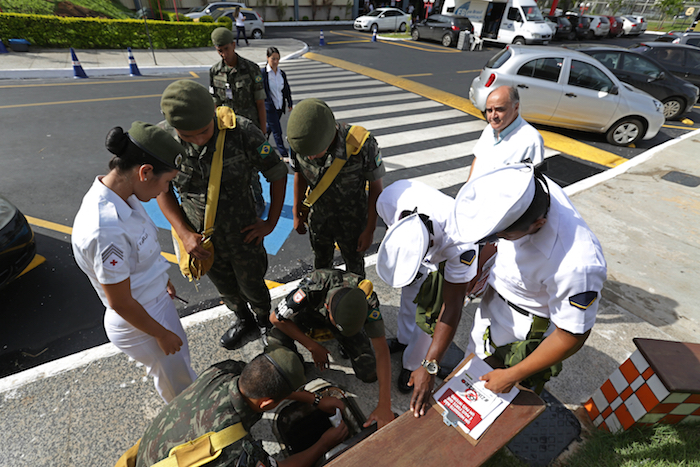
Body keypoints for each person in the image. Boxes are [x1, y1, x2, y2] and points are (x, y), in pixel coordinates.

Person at [409, 163, 607, 417]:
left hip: (528, 330)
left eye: (505, 235)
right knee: (473, 375)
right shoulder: (521, 188)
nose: (499, 239)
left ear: (538, 224)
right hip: (493, 304)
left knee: (502, 404)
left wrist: (513, 374)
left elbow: (572, 335)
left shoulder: (578, 264)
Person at [156, 80, 288, 350]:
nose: (197, 140)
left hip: (244, 234)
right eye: (187, 135)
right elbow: (162, 190)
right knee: (224, 286)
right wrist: (184, 233)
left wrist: (270, 222)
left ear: (213, 111)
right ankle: (243, 319)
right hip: (201, 239)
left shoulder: (241, 131)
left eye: (203, 131)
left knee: (253, 284)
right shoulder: (164, 140)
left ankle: (264, 321)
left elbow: (276, 172)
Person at [72, 122, 197, 403]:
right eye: (166, 182)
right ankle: (189, 432)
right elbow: (119, 301)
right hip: (140, 321)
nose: (164, 190)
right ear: (145, 172)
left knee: (181, 372)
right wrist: (161, 334)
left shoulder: (124, 194)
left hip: (151, 304)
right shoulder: (105, 229)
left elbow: (139, 252)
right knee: (177, 386)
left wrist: (159, 279)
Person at [132, 348, 348, 467]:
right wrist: (324, 444)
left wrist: (315, 399)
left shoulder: (223, 372)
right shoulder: (236, 451)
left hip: (149, 452)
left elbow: (264, 385)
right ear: (267, 404)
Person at [375, 180, 480, 394]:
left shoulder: (461, 243)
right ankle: (404, 340)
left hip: (448, 256)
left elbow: (451, 309)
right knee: (410, 292)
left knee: (430, 314)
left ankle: (412, 363)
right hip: (422, 245)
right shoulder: (388, 200)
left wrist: (429, 366)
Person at [266, 268, 395, 429]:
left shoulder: (367, 300)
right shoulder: (313, 286)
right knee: (275, 338)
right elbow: (275, 318)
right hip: (310, 317)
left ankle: (345, 337)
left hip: (343, 325)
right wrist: (313, 347)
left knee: (369, 373)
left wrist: (384, 403)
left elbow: (382, 350)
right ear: (327, 306)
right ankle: (296, 365)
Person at [287, 98, 385, 277]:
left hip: (353, 222)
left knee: (355, 270)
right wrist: (296, 212)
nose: (309, 158)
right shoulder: (301, 142)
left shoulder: (362, 145)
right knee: (321, 269)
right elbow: (299, 175)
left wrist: (369, 229)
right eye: (305, 154)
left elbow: (376, 188)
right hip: (319, 219)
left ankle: (355, 303)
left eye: (314, 152)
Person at [209, 27, 267, 217]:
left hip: (250, 132)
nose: (223, 54)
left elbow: (260, 103)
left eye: (226, 49)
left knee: (252, 170)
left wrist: (263, 133)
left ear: (233, 45)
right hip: (226, 131)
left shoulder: (251, 69)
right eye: (219, 50)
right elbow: (215, 104)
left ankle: (258, 201)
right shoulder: (215, 72)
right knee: (229, 169)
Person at [469, 86, 544, 181]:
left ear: (516, 107)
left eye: (499, 109)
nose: (493, 116)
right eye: (489, 110)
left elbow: (533, 182)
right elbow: (478, 159)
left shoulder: (531, 140)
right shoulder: (490, 129)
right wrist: (467, 188)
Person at [261, 46, 293, 159]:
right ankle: (284, 154)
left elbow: (286, 89)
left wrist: (289, 102)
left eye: (277, 59)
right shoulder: (263, 73)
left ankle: (260, 144)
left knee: (270, 128)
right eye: (273, 59)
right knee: (277, 131)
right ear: (267, 58)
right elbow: (262, 91)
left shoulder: (281, 74)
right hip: (270, 107)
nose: (275, 62)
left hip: (279, 106)